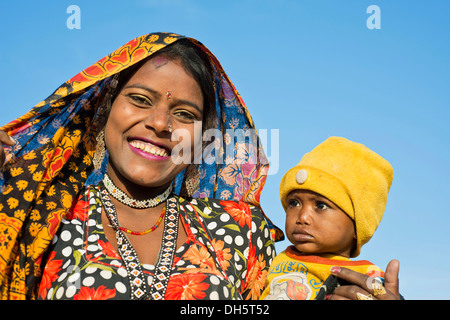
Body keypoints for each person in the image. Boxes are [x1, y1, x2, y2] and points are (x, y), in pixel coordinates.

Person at [0, 32, 283, 300]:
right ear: (105, 107)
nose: (160, 123)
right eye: (139, 100)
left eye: (184, 114)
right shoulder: (38, 215)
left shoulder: (242, 231)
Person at [261, 136, 400, 300]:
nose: (303, 217)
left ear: (358, 226)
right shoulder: (271, 262)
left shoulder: (367, 279)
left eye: (321, 206)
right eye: (294, 203)